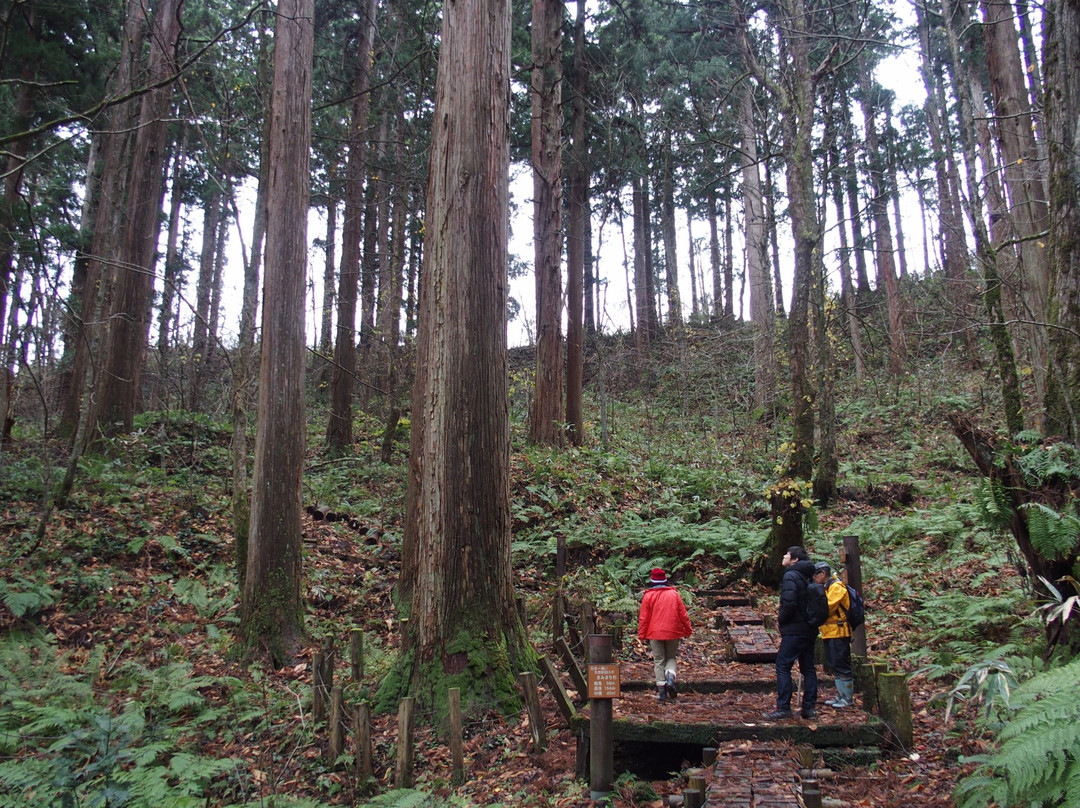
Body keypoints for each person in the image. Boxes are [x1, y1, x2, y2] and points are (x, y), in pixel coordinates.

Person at [763, 546, 819, 720]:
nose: (783, 556)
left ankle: (783, 707)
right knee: (808, 668)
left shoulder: (790, 575)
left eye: (787, 554)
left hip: (794, 628)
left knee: (783, 665)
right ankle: (809, 708)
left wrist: (782, 620)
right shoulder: (810, 575)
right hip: (809, 628)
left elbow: (789, 602)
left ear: (794, 559)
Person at [637, 568, 692, 700]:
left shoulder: (648, 596)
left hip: (654, 633)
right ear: (665, 581)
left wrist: (642, 635)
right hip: (673, 631)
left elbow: (643, 618)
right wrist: (688, 629)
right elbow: (683, 615)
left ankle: (662, 693)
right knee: (671, 658)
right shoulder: (674, 594)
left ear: (652, 582)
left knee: (659, 661)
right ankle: (670, 679)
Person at [814, 561, 855, 709]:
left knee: (842, 664)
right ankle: (841, 695)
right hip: (829, 632)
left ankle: (848, 698)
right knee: (835, 665)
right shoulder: (828, 587)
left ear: (823, 574)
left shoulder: (836, 587)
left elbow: (828, 608)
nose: (814, 579)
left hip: (839, 631)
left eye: (815, 575)